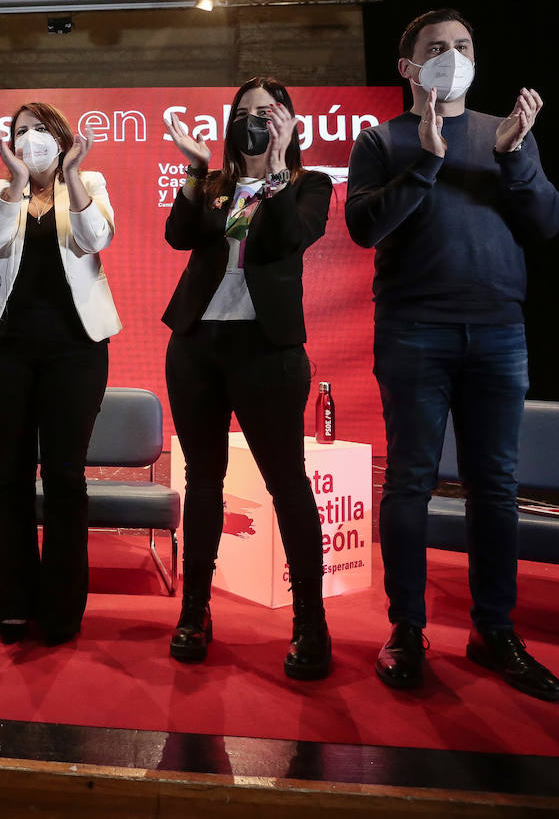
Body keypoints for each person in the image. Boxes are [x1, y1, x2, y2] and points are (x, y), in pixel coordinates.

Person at [346, 9, 559, 701]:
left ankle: (493, 631)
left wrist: (515, 157)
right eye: (436, 48)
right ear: (410, 68)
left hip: (499, 333)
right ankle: (406, 631)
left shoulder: (504, 132)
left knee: (495, 488)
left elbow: (549, 222)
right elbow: (362, 226)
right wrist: (429, 161)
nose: (452, 55)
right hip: (414, 332)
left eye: (463, 46)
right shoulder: (383, 140)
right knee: (410, 481)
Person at [160, 79, 333, 678]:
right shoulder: (214, 185)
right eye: (245, 113)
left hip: (268, 351)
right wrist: (194, 170)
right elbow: (179, 236)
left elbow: (287, 238)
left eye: (267, 112)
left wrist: (279, 170)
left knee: (287, 483)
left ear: (287, 121)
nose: (255, 121)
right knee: (203, 482)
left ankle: (310, 622)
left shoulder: (309, 185)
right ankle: (195, 611)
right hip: (197, 346)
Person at [0, 102, 119, 645]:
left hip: (75, 353)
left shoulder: (90, 182)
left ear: (62, 138)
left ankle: (61, 609)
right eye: (20, 132)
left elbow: (95, 238)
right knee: (10, 477)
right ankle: (13, 601)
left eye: (40, 130)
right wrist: (14, 182)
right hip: (6, 352)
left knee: (64, 478)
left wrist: (74, 176)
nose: (30, 139)